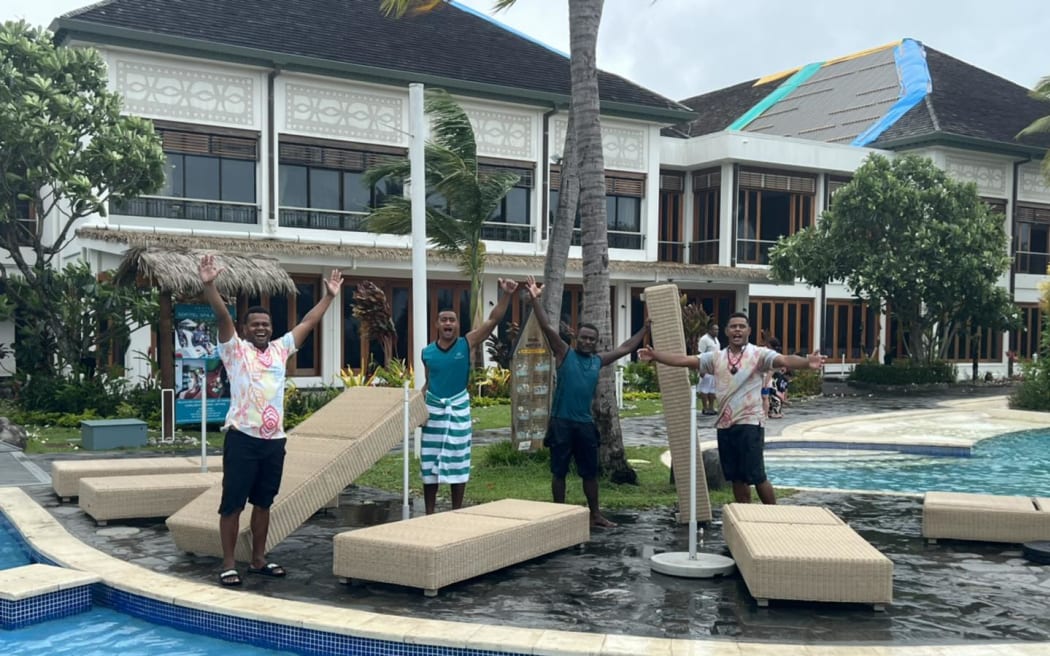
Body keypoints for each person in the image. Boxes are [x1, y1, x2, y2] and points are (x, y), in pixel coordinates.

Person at [199, 254, 343, 587]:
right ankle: (229, 562)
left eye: (265, 324)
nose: (261, 328)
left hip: (274, 441)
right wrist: (209, 285)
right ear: (246, 329)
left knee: (264, 502)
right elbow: (222, 315)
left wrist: (329, 297)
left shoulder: (280, 349)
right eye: (255, 325)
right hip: (242, 437)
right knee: (232, 503)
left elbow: (308, 322)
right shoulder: (234, 350)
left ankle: (259, 559)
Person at [638, 311, 824, 505]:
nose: (737, 330)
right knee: (736, 478)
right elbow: (685, 360)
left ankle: (774, 515)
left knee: (757, 475)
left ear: (748, 331)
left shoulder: (759, 354)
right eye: (733, 326)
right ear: (727, 331)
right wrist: (655, 356)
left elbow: (785, 360)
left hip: (750, 422)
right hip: (726, 424)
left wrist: (806, 362)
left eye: (741, 326)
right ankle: (745, 518)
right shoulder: (716, 357)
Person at [525, 275, 649, 527]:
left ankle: (595, 514)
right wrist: (534, 300)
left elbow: (625, 348)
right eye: (583, 337)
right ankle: (558, 515)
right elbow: (548, 328)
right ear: (576, 338)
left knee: (589, 473)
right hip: (561, 423)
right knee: (558, 472)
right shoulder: (564, 353)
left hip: (584, 425)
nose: (587, 341)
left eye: (592, 339)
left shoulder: (597, 361)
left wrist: (645, 330)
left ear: (596, 343)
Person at [420, 278, 519, 514]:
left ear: (456, 325)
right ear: (437, 324)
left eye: (452, 320)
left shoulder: (467, 343)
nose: (448, 323)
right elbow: (428, 381)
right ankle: (429, 513)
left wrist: (506, 294)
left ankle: (457, 510)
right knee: (429, 462)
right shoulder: (427, 352)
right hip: (433, 412)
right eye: (443, 320)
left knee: (459, 460)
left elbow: (493, 320)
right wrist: (419, 406)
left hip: (458, 411)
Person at [697, 322, 720, 415]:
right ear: (709, 330)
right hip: (705, 367)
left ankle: (711, 407)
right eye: (714, 329)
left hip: (714, 368)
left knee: (712, 389)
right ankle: (705, 407)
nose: (716, 331)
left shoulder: (716, 340)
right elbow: (700, 354)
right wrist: (701, 369)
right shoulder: (704, 339)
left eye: (717, 329)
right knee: (704, 389)